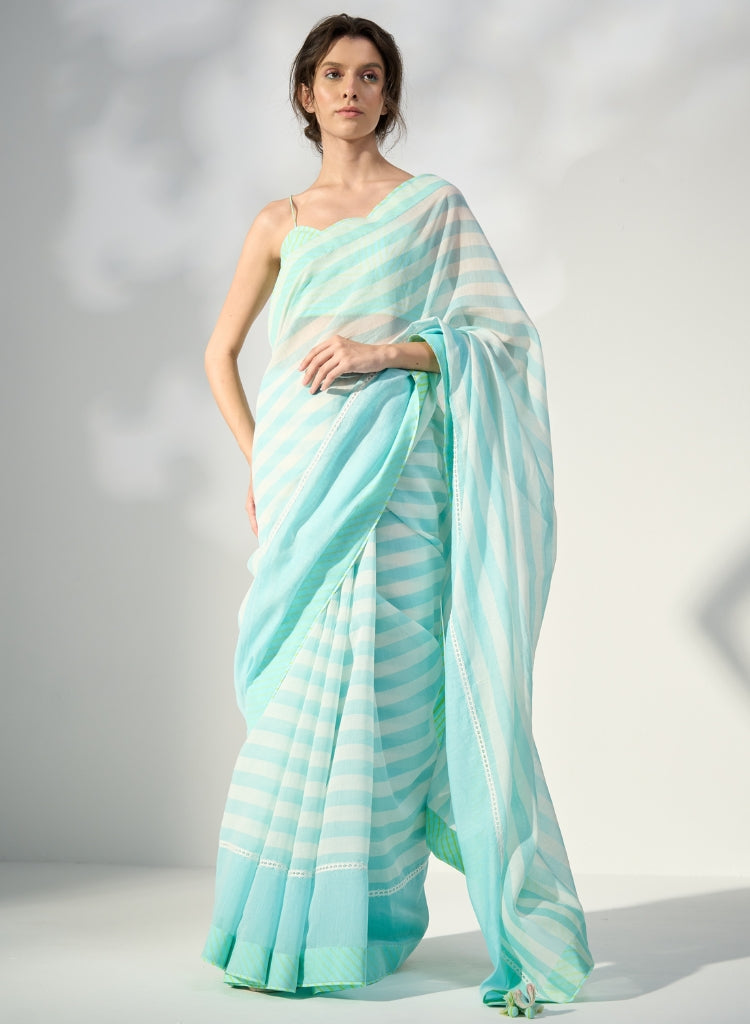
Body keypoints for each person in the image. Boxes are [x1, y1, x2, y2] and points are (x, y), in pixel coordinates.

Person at [200, 13, 593, 1007]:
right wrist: (259, 464)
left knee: (388, 698)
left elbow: (502, 341)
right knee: (305, 695)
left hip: (403, 477)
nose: (351, 90)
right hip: (305, 473)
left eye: (370, 75)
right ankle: (280, 925)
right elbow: (219, 354)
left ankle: (364, 924)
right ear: (305, 94)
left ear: (389, 95)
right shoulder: (278, 221)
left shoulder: (433, 208)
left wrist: (384, 352)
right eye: (333, 74)